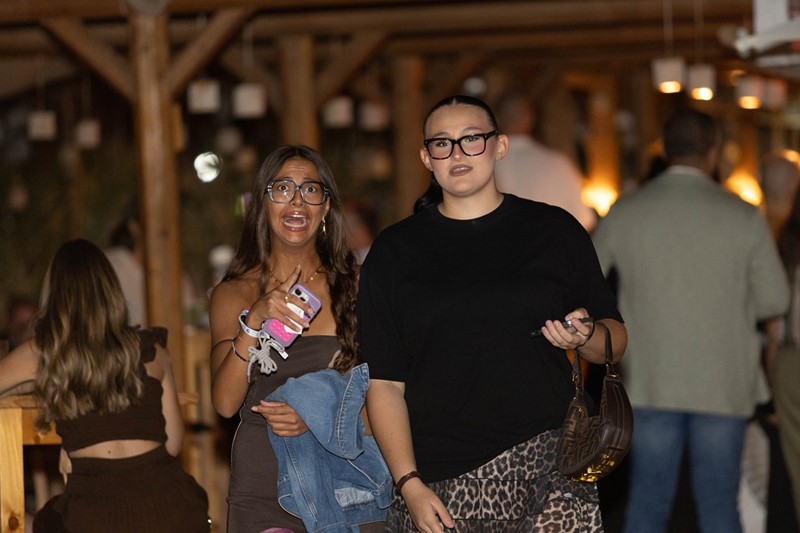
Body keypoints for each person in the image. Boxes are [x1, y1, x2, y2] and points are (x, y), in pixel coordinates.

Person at [357, 94, 626, 532]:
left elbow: (614, 339)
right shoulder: (394, 252)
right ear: (426, 158)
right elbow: (384, 383)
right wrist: (408, 483)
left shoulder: (554, 230)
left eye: (472, 139)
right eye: (442, 143)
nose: (457, 153)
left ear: (500, 146)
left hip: (548, 460)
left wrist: (586, 334)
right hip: (440, 472)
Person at [592, 107, 790, 533]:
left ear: (665, 150)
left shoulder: (628, 210)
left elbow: (586, 281)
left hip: (651, 378)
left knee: (648, 502)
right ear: (714, 151)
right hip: (722, 382)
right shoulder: (742, 215)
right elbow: (775, 298)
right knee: (719, 506)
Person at [208, 145, 386, 532]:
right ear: (263, 203)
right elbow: (224, 402)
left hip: (346, 485)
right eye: (283, 188)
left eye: (310, 189)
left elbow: (388, 398)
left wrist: (319, 417)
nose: (297, 201)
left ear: (326, 208)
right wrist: (254, 320)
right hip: (264, 489)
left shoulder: (358, 286)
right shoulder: (233, 294)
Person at [0, 238, 209, 532]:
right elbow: (172, 442)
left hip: (96, 515)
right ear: (112, 291)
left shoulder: (45, 352)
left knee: (22, 521)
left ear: (54, 297)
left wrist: (31, 383)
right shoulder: (152, 351)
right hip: (172, 509)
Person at [494, 90, 597, 232]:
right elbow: (584, 222)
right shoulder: (559, 164)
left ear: (496, 118)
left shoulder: (483, 165)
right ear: (530, 118)